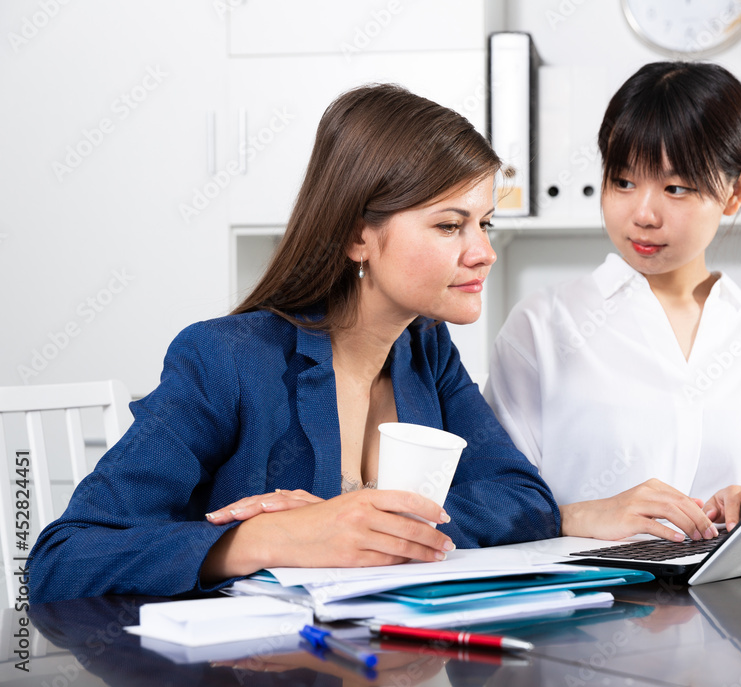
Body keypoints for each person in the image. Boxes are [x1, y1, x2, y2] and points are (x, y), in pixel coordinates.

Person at [30, 84, 560, 604]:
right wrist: (269, 538)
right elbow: (63, 559)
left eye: (485, 224)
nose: (484, 252)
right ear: (358, 237)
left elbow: (525, 500)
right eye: (449, 226)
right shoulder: (226, 358)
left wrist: (368, 523)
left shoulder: (427, 350)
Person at [485, 62, 741, 544]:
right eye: (623, 182)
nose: (643, 214)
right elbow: (492, 504)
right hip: (584, 588)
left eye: (675, 188)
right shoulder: (541, 326)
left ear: (735, 192)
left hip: (731, 588)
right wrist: (580, 515)